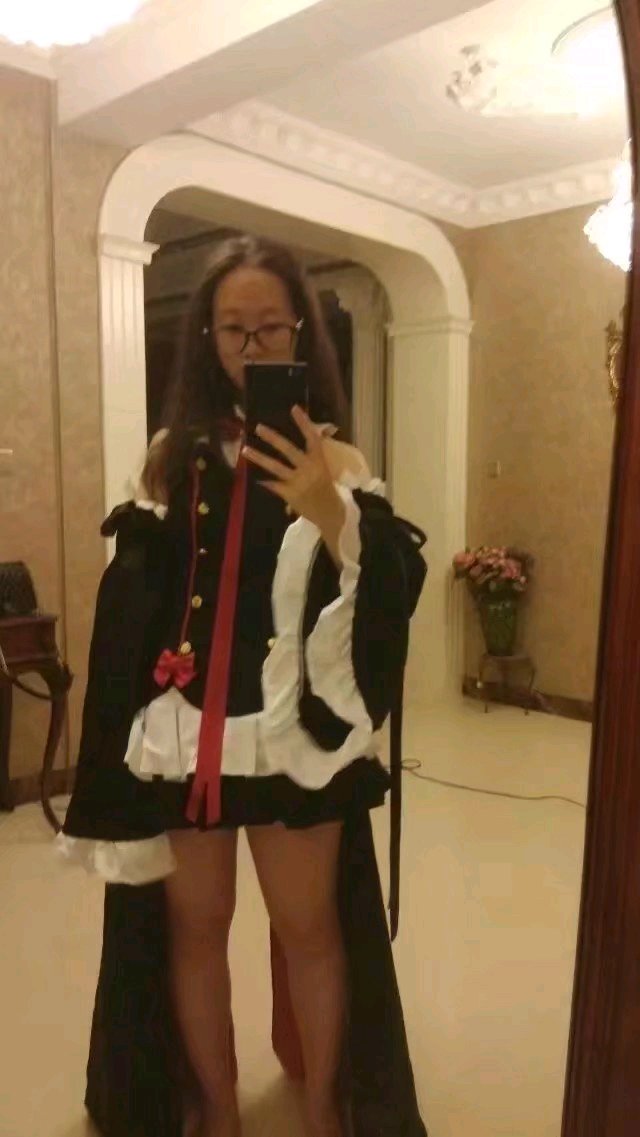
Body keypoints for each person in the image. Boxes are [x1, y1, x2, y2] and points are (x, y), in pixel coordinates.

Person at [57, 234, 428, 1137]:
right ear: (207, 337)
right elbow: (135, 599)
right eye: (234, 329)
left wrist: (332, 512)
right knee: (195, 929)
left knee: (312, 929)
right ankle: (217, 1110)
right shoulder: (168, 456)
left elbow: (388, 591)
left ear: (300, 331)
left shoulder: (338, 459)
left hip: (292, 737)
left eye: (270, 327)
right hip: (188, 733)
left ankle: (326, 1109)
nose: (252, 346)